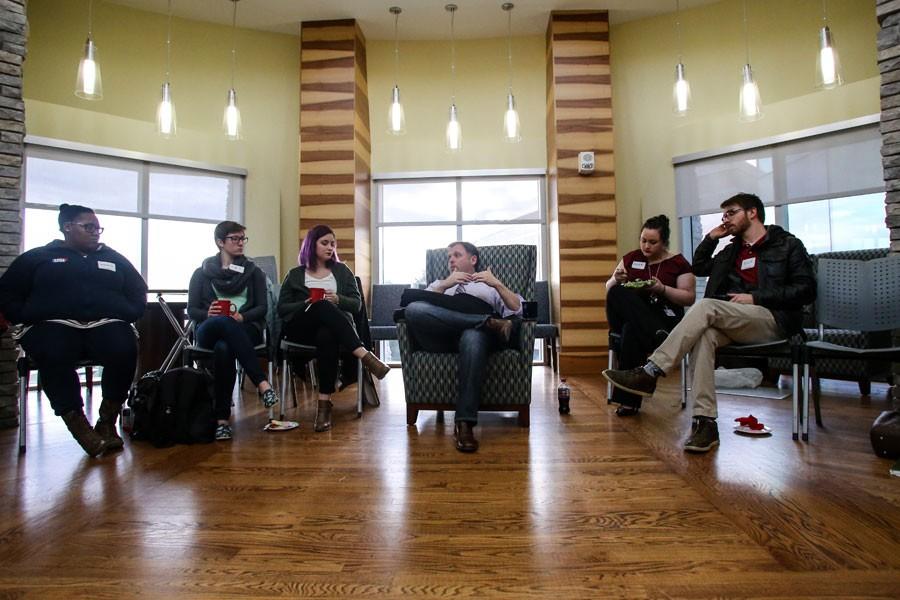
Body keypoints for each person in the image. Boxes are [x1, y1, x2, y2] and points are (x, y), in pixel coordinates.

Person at [603, 193, 815, 453]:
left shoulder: (787, 245)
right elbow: (700, 266)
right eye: (723, 214)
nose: (725, 219)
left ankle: (651, 371)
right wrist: (712, 237)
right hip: (733, 319)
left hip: (772, 319)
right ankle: (705, 423)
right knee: (703, 335)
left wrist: (756, 297)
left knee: (704, 305)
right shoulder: (732, 250)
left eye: (731, 212)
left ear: (752, 213)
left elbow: (807, 289)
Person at [0, 204, 147, 457]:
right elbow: (8, 292)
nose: (95, 232)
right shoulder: (39, 257)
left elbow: (137, 289)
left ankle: (107, 421)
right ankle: (78, 425)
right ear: (67, 227)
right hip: (52, 324)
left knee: (124, 347)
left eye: (97, 228)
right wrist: (25, 316)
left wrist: (127, 312)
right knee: (54, 350)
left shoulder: (112, 258)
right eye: (88, 227)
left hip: (104, 323)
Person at [404, 241, 523, 453]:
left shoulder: (487, 285)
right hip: (442, 337)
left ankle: (464, 424)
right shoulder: (441, 283)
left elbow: (518, 309)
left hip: (474, 338)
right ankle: (484, 322)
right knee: (413, 309)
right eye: (449, 256)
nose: (451, 259)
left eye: (457, 255)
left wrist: (497, 283)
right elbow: (416, 310)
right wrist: (444, 285)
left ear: (473, 260)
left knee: (472, 337)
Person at [277, 225, 389, 432]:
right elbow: (281, 309)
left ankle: (324, 405)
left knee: (327, 335)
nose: (330, 247)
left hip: (333, 330)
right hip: (301, 329)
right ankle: (364, 354)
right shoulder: (294, 274)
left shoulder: (342, 271)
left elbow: (356, 305)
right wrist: (306, 302)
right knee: (319, 305)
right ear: (312, 244)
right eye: (325, 243)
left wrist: (338, 299)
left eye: (333, 243)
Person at [187, 221, 280, 441]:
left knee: (224, 347)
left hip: (245, 328)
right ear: (220, 242)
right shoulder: (201, 274)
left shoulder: (253, 272)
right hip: (208, 328)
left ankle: (221, 421)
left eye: (242, 239)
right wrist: (207, 313)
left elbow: (262, 308)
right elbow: (192, 310)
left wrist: (242, 316)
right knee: (222, 323)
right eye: (235, 239)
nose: (240, 243)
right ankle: (262, 382)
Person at [605, 215, 695, 416]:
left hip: (663, 317)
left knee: (631, 330)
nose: (646, 246)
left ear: (664, 243)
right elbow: (609, 289)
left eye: (652, 242)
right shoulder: (631, 258)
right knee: (616, 291)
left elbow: (689, 298)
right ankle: (656, 334)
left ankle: (628, 402)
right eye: (643, 240)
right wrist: (616, 280)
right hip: (644, 323)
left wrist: (663, 289)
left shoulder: (678, 263)